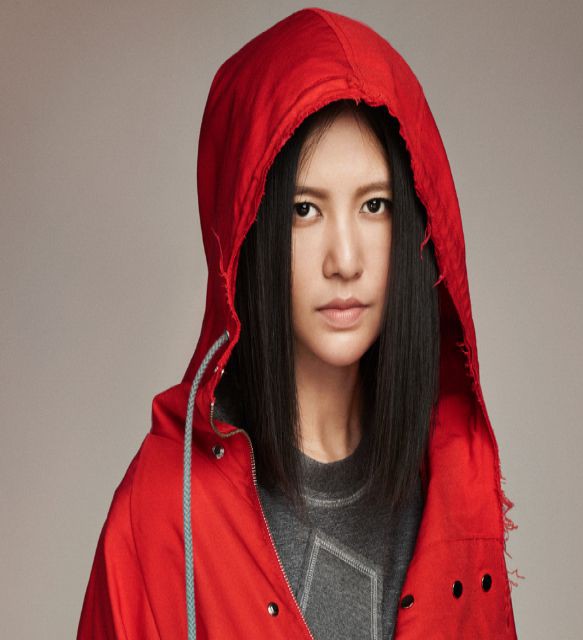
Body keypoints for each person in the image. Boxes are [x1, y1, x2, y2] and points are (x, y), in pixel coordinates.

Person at [77, 7, 519, 639]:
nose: (346, 260)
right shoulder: (160, 512)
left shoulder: (455, 482)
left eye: (375, 205)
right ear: (247, 233)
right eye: (304, 210)